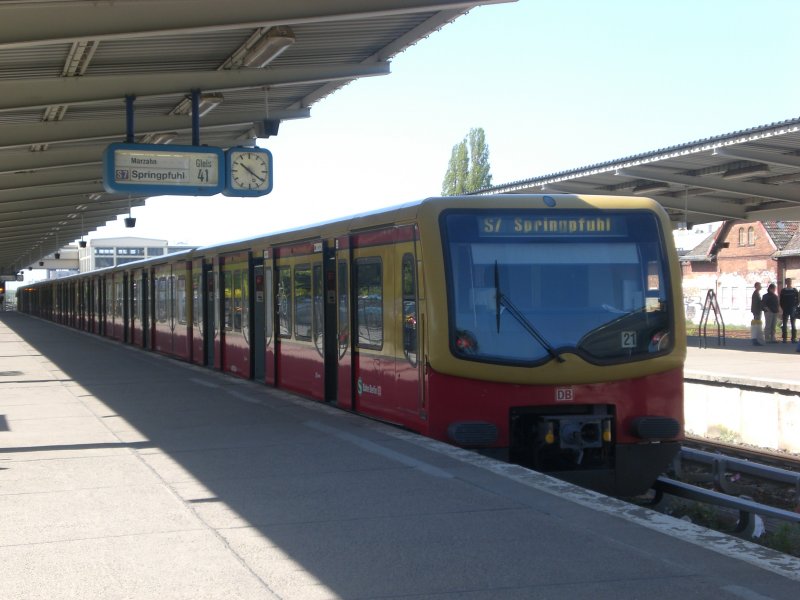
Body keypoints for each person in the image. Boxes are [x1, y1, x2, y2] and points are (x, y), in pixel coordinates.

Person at [779, 277, 799, 343]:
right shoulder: (783, 291)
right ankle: (784, 338)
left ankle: (793, 338)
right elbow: (781, 300)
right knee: (784, 323)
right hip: (785, 309)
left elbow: (798, 300)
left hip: (792, 309)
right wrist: (783, 307)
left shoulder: (794, 290)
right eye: (788, 281)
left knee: (793, 323)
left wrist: (795, 306)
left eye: (790, 281)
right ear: (786, 283)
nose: (789, 283)